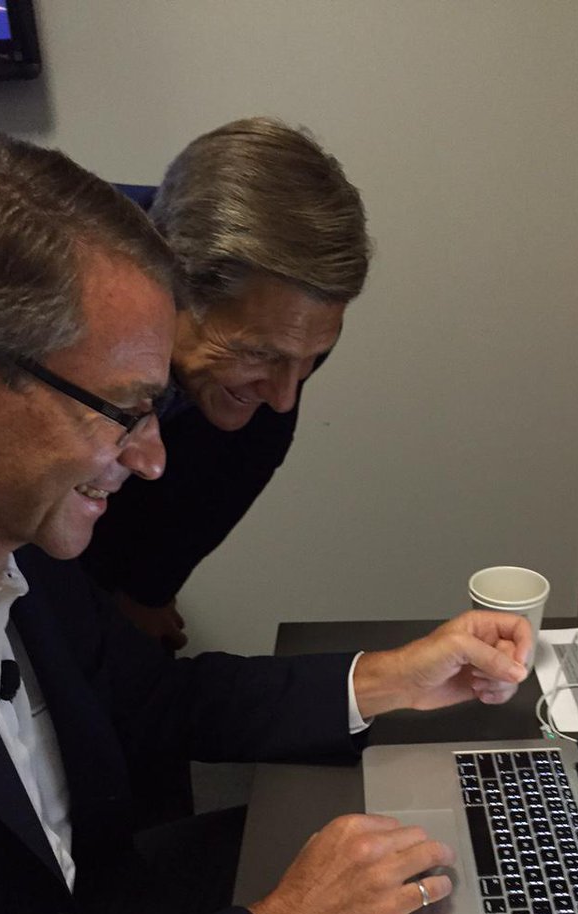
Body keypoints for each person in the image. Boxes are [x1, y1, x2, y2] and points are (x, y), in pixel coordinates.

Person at [0, 131, 531, 914]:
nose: (154, 457)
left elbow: (152, 701)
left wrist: (389, 677)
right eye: (123, 412)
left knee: (449, 869)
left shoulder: (16, 534)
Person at [82, 116, 370, 650]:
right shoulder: (47, 294)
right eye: (259, 354)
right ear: (166, 287)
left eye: (310, 359)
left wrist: (149, 589)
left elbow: (243, 456)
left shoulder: (286, 327)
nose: (284, 397)